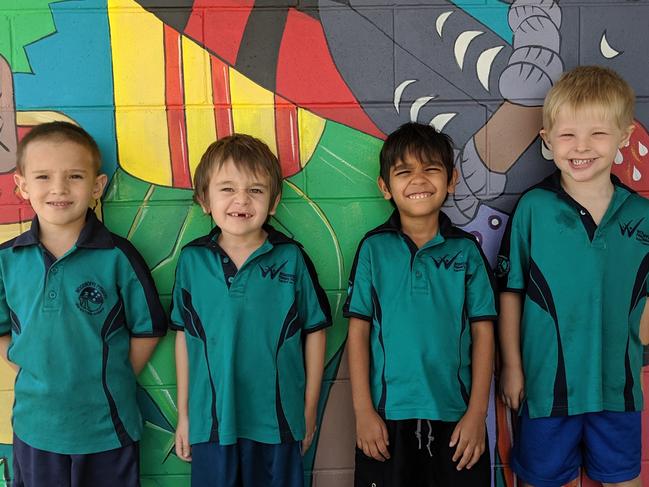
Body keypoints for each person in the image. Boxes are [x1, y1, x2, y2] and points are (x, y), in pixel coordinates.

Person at [498, 66, 649, 487]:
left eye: (598, 134)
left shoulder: (642, 216)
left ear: (624, 136)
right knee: (540, 480)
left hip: (616, 389)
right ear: (547, 139)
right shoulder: (533, 209)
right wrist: (512, 366)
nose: (581, 147)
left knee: (624, 480)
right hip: (546, 389)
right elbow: (511, 292)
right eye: (568, 135)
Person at [0, 121, 167, 487]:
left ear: (97, 187)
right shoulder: (7, 260)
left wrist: (108, 376)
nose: (59, 188)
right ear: (22, 186)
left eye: (74, 176)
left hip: (107, 428)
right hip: (35, 427)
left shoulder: (118, 256)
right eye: (43, 177)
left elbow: (148, 329)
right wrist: (31, 366)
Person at [171, 134, 331, 487]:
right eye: (227, 188)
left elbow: (316, 331)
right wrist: (184, 416)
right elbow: (184, 338)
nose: (241, 200)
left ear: (273, 203)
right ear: (204, 199)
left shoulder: (291, 257)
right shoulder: (192, 261)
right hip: (211, 424)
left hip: (278, 422)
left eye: (256, 190)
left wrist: (308, 410)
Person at [345, 122, 497, 486]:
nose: (418, 180)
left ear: (451, 180)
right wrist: (363, 411)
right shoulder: (373, 249)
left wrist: (477, 414)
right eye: (404, 172)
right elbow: (358, 334)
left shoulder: (466, 252)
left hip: (456, 419)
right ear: (385, 187)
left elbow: (484, 335)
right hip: (387, 418)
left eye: (431, 169)